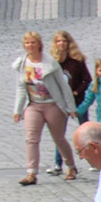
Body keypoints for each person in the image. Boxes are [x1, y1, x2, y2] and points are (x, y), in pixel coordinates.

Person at [12, 31, 79, 185]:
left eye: (33, 42)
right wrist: (17, 110)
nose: (30, 46)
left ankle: (70, 166)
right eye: (27, 43)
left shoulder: (50, 63)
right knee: (31, 139)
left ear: (39, 44)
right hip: (34, 105)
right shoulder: (22, 63)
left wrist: (70, 107)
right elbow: (21, 88)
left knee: (58, 138)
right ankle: (32, 173)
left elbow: (63, 86)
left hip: (53, 105)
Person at [52, 32, 91, 141]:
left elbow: (87, 79)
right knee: (59, 135)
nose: (62, 44)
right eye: (59, 41)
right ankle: (59, 158)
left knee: (86, 132)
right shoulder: (53, 62)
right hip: (62, 102)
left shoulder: (77, 60)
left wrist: (77, 92)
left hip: (78, 101)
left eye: (64, 41)